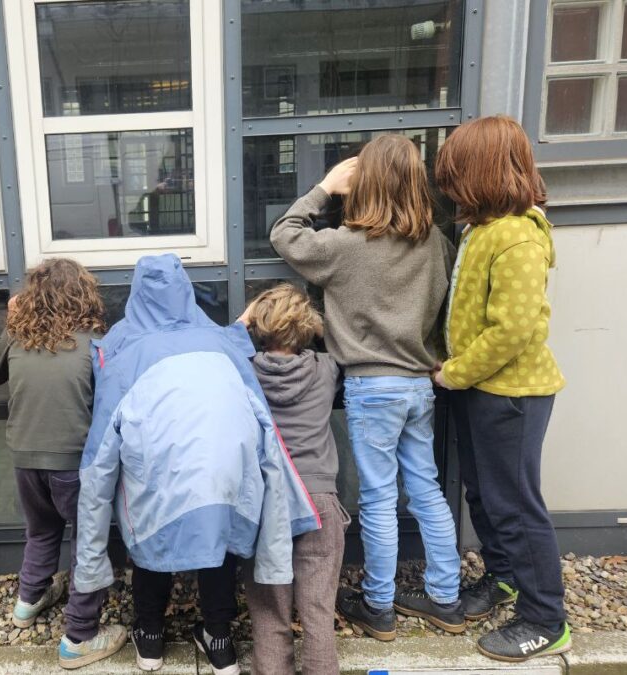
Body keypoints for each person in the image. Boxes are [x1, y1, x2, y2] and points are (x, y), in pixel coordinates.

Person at [74, 253, 320, 675]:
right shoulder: (218, 338)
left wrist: (91, 557)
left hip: (158, 463)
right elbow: (240, 352)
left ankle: (149, 638)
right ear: (186, 291)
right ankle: (219, 641)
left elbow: (100, 456)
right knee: (218, 539)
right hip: (225, 462)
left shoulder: (122, 344)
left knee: (150, 533)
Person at [270, 134, 464, 641]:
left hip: (370, 388)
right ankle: (445, 598)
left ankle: (379, 606)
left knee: (378, 498)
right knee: (426, 489)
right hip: (420, 386)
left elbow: (285, 234)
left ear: (364, 185)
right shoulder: (438, 246)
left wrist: (323, 189)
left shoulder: (344, 247)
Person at [433, 115, 570, 662]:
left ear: (483, 173)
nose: (448, 188)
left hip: (510, 393)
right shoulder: (482, 229)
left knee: (514, 504)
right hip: (480, 389)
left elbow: (513, 329)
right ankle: (506, 579)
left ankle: (545, 618)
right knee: (483, 495)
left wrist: (453, 373)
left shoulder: (516, 236)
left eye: (455, 175)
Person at [0, 258, 126, 669]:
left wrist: (11, 325)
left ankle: (28, 602)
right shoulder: (93, 342)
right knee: (87, 544)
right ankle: (79, 636)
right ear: (83, 295)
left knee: (41, 531)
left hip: (25, 459)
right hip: (74, 464)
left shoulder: (19, 339)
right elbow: (107, 402)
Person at [237, 283, 350, 675]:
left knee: (269, 614)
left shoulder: (244, 371)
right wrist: (309, 323)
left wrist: (251, 316)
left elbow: (226, 343)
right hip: (318, 500)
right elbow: (344, 340)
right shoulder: (325, 369)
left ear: (258, 327)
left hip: (269, 505)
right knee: (319, 612)